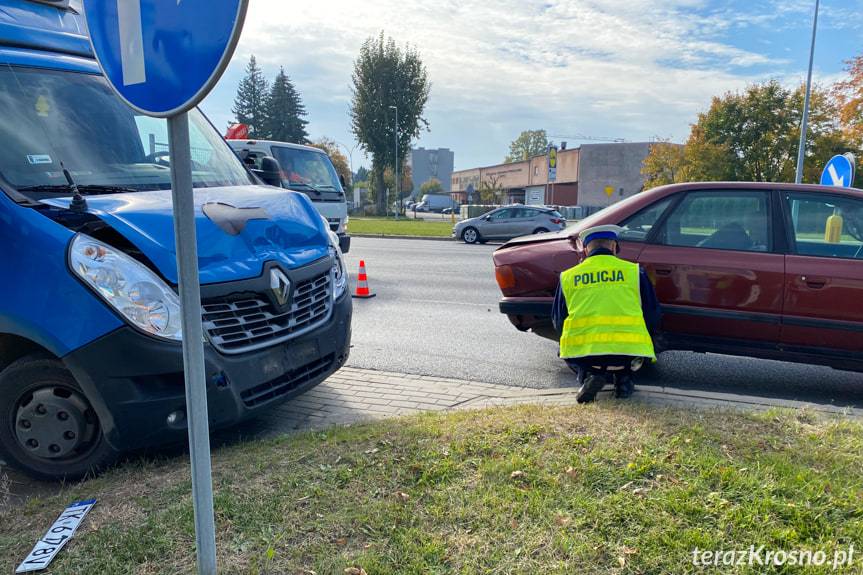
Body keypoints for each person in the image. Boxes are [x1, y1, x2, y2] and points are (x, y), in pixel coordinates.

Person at [552, 224, 661, 403]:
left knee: (568, 347)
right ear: (614, 246)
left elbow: (558, 321)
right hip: (628, 350)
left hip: (585, 351)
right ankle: (623, 382)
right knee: (630, 350)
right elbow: (653, 314)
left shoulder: (568, 276)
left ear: (586, 250)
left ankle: (589, 376)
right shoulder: (634, 272)